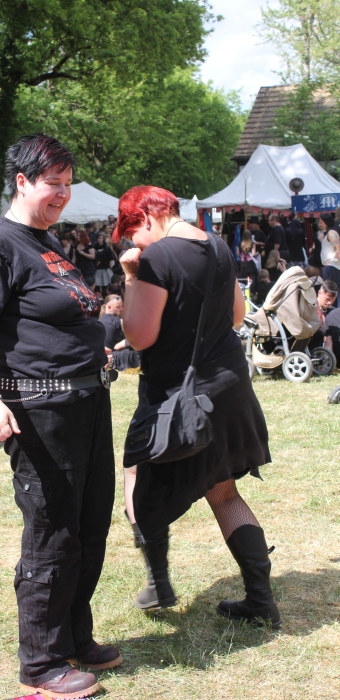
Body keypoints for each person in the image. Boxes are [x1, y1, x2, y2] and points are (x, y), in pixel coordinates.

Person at [0, 134, 121, 699]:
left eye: (68, 184)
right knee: (53, 531)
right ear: (22, 182)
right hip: (40, 411)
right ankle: (42, 663)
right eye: (54, 184)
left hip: (87, 403)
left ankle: (74, 636)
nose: (63, 195)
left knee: (90, 525)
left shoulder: (46, 242)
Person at [113, 185, 280, 627]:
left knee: (135, 472)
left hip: (180, 397)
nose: (132, 243)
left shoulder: (157, 257)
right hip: (228, 386)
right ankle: (261, 602)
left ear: (146, 217)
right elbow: (236, 315)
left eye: (131, 232)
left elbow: (139, 336)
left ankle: (158, 581)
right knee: (223, 490)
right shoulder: (218, 246)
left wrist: (131, 278)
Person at [318, 214, 340, 307]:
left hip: (333, 266)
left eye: (321, 222)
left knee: (332, 293)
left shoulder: (331, 233)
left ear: (327, 222)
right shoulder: (329, 233)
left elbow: (338, 250)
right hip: (331, 266)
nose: (319, 224)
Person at [94, 233, 116, 298]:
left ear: (103, 239)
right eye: (98, 238)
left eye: (101, 238)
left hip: (105, 269)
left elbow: (111, 258)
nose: (99, 239)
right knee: (97, 286)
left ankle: (105, 298)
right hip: (97, 269)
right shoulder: (94, 248)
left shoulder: (107, 248)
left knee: (105, 285)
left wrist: (111, 266)